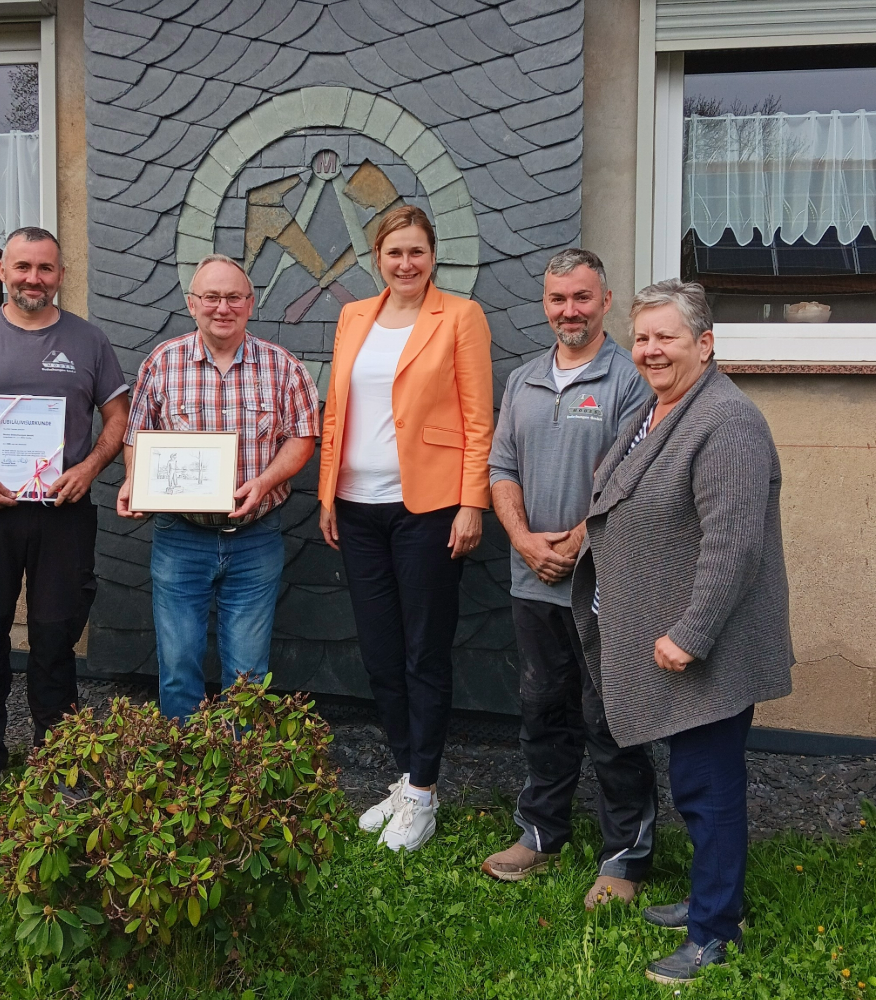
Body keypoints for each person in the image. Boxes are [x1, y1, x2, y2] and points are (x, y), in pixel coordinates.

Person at [571, 279, 793, 985]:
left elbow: (735, 546)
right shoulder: (662, 408)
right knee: (697, 780)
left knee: (707, 785)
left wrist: (692, 633)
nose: (649, 350)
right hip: (668, 638)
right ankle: (712, 898)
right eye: (641, 337)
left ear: (705, 343)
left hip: (708, 646)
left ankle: (714, 932)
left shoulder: (726, 421)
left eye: (665, 336)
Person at [0, 226, 130, 801]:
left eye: (45, 268)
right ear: (3, 271)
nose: (34, 278)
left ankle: (58, 759)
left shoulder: (89, 341)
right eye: (23, 267)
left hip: (63, 511)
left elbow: (118, 417)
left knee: (56, 636)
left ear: (60, 275)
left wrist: (89, 468)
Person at [482, 248, 658, 908]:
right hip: (532, 579)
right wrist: (524, 540)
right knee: (542, 710)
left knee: (610, 718)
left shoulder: (630, 381)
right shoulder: (524, 380)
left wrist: (576, 542)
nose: (570, 311)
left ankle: (625, 856)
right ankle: (540, 832)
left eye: (582, 297)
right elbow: (501, 468)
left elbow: (628, 480)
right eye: (558, 299)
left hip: (602, 583)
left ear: (605, 302)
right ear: (545, 304)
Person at [317, 205, 494, 852]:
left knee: (423, 651)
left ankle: (422, 791)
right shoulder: (353, 316)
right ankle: (407, 777)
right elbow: (337, 408)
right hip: (357, 508)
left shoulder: (461, 317)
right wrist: (327, 493)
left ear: (433, 256)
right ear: (377, 258)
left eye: (417, 251)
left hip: (429, 509)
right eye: (394, 252)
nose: (406, 263)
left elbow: (478, 418)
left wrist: (472, 503)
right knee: (380, 652)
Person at [118, 254, 319, 720]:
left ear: (250, 303)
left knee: (248, 671)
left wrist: (265, 481)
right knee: (177, 665)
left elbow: (302, 438)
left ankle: (239, 760)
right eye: (211, 297)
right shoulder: (162, 363)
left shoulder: (283, 367)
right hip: (180, 537)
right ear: (192, 304)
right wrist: (136, 480)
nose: (222, 307)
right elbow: (136, 436)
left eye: (233, 297)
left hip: (255, 537)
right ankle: (185, 759)